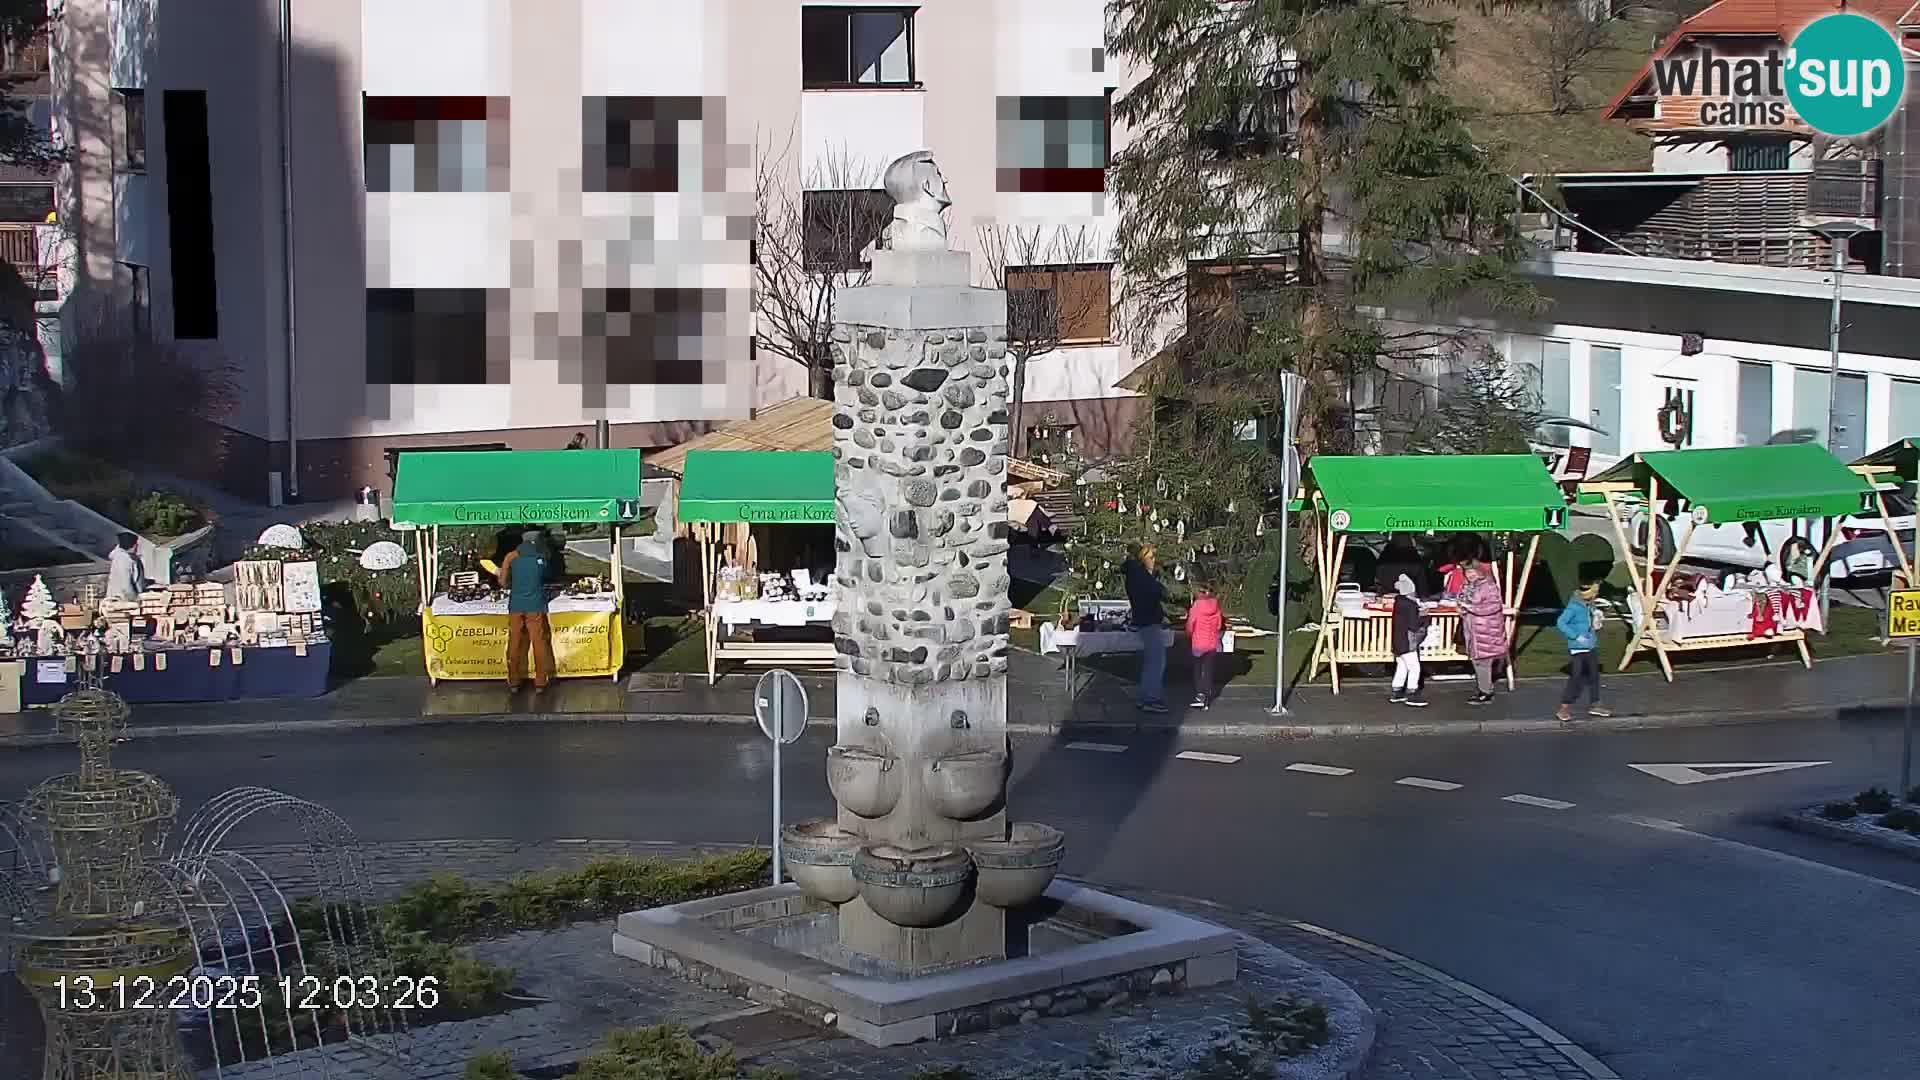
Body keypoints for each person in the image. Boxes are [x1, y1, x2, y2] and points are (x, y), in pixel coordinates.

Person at [496, 527, 556, 690]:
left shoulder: (511, 557)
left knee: (514, 641)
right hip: (535, 605)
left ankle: (514, 681)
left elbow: (503, 582)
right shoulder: (541, 557)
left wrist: (503, 576)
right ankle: (540, 681)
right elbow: (547, 576)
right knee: (539, 642)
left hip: (516, 604)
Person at [1555, 582, 1612, 721]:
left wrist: (1597, 621)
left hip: (1590, 645)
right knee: (1576, 677)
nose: (1596, 595)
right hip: (1578, 648)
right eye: (1594, 592)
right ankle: (1564, 707)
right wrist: (1575, 636)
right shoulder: (1574, 607)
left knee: (1594, 675)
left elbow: (1590, 623)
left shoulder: (1590, 605)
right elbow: (1561, 622)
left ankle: (1595, 704)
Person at [1123, 542, 1168, 713]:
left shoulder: (1137, 575)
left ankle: (1145, 697)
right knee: (1157, 662)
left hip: (1146, 619)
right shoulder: (1141, 576)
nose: (1154, 561)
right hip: (1148, 621)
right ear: (1143, 559)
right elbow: (1154, 593)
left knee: (1152, 661)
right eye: (1151, 557)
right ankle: (1151, 698)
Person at [1459, 561, 1508, 705]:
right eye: (1467, 572)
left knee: (1483, 661)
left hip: (1487, 629)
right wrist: (1462, 608)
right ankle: (1483, 689)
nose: (1470, 575)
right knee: (1477, 660)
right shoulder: (1468, 586)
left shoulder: (1489, 586)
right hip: (1474, 629)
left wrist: (1471, 608)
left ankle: (1486, 692)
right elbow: (1461, 601)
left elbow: (1493, 606)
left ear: (1480, 571)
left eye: (1472, 571)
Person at [1389, 574, 1429, 707]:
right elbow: (1414, 626)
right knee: (1414, 668)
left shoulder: (1398, 602)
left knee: (1402, 666)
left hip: (1397, 641)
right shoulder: (1410, 605)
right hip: (1407, 642)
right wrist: (1423, 617)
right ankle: (1411, 694)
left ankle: (1397, 691)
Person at [1185, 579, 1224, 710]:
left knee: (1198, 670)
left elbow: (1191, 625)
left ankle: (1200, 696)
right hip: (1212, 643)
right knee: (1208, 671)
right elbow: (1218, 625)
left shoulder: (1196, 606)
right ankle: (1207, 698)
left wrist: (1189, 635)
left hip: (1198, 643)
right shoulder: (1216, 605)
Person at [105, 532, 146, 602]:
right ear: (132, 545)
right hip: (122, 601)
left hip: (124, 599)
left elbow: (133, 578)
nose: (137, 546)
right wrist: (136, 599)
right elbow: (126, 585)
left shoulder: (127, 557)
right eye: (136, 543)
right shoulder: (123, 559)